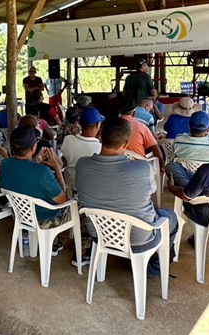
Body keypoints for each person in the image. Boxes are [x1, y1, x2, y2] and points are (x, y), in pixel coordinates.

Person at [75, 118, 179, 276]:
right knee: (170, 217)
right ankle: (152, 268)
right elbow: (151, 190)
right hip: (139, 238)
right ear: (125, 144)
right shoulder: (142, 167)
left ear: (100, 137)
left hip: (99, 232)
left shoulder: (82, 164)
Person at [0, 124, 71, 256]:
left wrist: (35, 162)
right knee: (74, 205)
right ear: (33, 148)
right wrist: (56, 168)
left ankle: (54, 241)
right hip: (44, 219)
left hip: (20, 215)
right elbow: (62, 199)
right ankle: (57, 241)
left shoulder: (4, 164)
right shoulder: (42, 172)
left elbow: (24, 176)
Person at [164, 111, 209, 186]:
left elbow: (175, 156)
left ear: (189, 126)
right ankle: (199, 190)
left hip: (188, 177)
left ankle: (190, 189)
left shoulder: (179, 139)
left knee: (170, 166)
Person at [118, 97, 164, 173]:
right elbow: (156, 149)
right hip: (139, 165)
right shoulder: (142, 126)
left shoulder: (110, 126)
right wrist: (162, 167)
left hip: (117, 165)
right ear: (133, 113)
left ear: (119, 111)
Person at [61, 107, 104, 176]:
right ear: (98, 124)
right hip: (88, 185)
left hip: (69, 183)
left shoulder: (68, 139)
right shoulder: (101, 148)